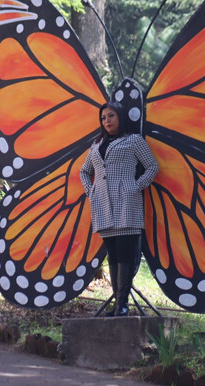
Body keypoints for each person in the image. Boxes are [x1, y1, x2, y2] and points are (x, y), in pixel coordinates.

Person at [79, 102, 158, 316]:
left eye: (111, 116)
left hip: (127, 202)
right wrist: (91, 192)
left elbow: (152, 166)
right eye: (103, 118)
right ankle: (117, 303)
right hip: (103, 204)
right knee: (112, 255)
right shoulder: (96, 145)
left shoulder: (133, 141)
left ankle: (123, 303)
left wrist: (136, 186)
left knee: (125, 253)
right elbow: (84, 172)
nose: (107, 121)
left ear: (120, 117)